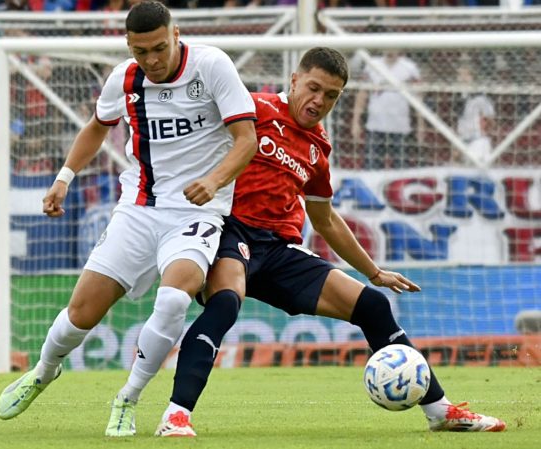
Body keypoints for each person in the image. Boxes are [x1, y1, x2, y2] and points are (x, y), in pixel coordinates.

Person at [151, 47, 506, 436]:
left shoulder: (318, 147)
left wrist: (374, 271)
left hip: (278, 249)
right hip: (229, 232)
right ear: (294, 81)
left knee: (372, 304)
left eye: (332, 95)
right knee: (225, 303)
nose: (319, 101)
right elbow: (190, 125)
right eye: (314, 88)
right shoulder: (254, 108)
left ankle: (440, 410)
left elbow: (325, 219)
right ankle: (176, 415)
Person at [0, 0, 257, 432]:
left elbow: (245, 138)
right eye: (141, 51)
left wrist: (213, 180)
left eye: (158, 48)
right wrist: (64, 177)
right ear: (129, 46)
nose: (151, 60)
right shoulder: (124, 78)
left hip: (197, 211)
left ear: (175, 34)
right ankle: (43, 371)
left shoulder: (212, 66)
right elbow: (98, 125)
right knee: (81, 313)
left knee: (174, 299)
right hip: (137, 209)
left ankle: (127, 398)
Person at [351, 49, 424, 169]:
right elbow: (362, 95)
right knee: (371, 169)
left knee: (401, 171)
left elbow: (418, 98)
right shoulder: (372, 65)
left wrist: (421, 125)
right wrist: (355, 122)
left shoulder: (410, 68)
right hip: (375, 127)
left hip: (400, 128)